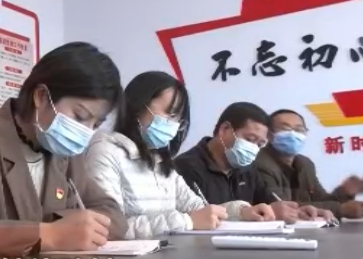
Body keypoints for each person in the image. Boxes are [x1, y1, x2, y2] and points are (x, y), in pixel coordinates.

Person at [0, 42, 128, 257]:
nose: (86, 132)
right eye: (79, 116)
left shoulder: (65, 153)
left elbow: (113, 215)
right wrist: (48, 234)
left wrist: (71, 227)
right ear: (41, 96)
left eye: (96, 124)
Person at [84, 72, 279, 239]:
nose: (173, 125)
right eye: (170, 114)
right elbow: (110, 226)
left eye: (178, 119)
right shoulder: (106, 150)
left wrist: (241, 211)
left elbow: (199, 208)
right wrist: (187, 221)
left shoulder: (159, 160)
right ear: (137, 105)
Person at [174, 102, 303, 223]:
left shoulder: (248, 167)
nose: (253, 148)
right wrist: (244, 212)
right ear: (224, 129)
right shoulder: (185, 167)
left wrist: (297, 212)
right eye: (249, 139)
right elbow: (200, 216)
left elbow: (269, 203)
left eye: (260, 144)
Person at [255, 109, 363, 220]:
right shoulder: (259, 163)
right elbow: (280, 207)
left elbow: (321, 199)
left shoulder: (305, 164)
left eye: (299, 130)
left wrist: (344, 192)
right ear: (269, 135)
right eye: (285, 129)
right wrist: (340, 210)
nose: (292, 134)